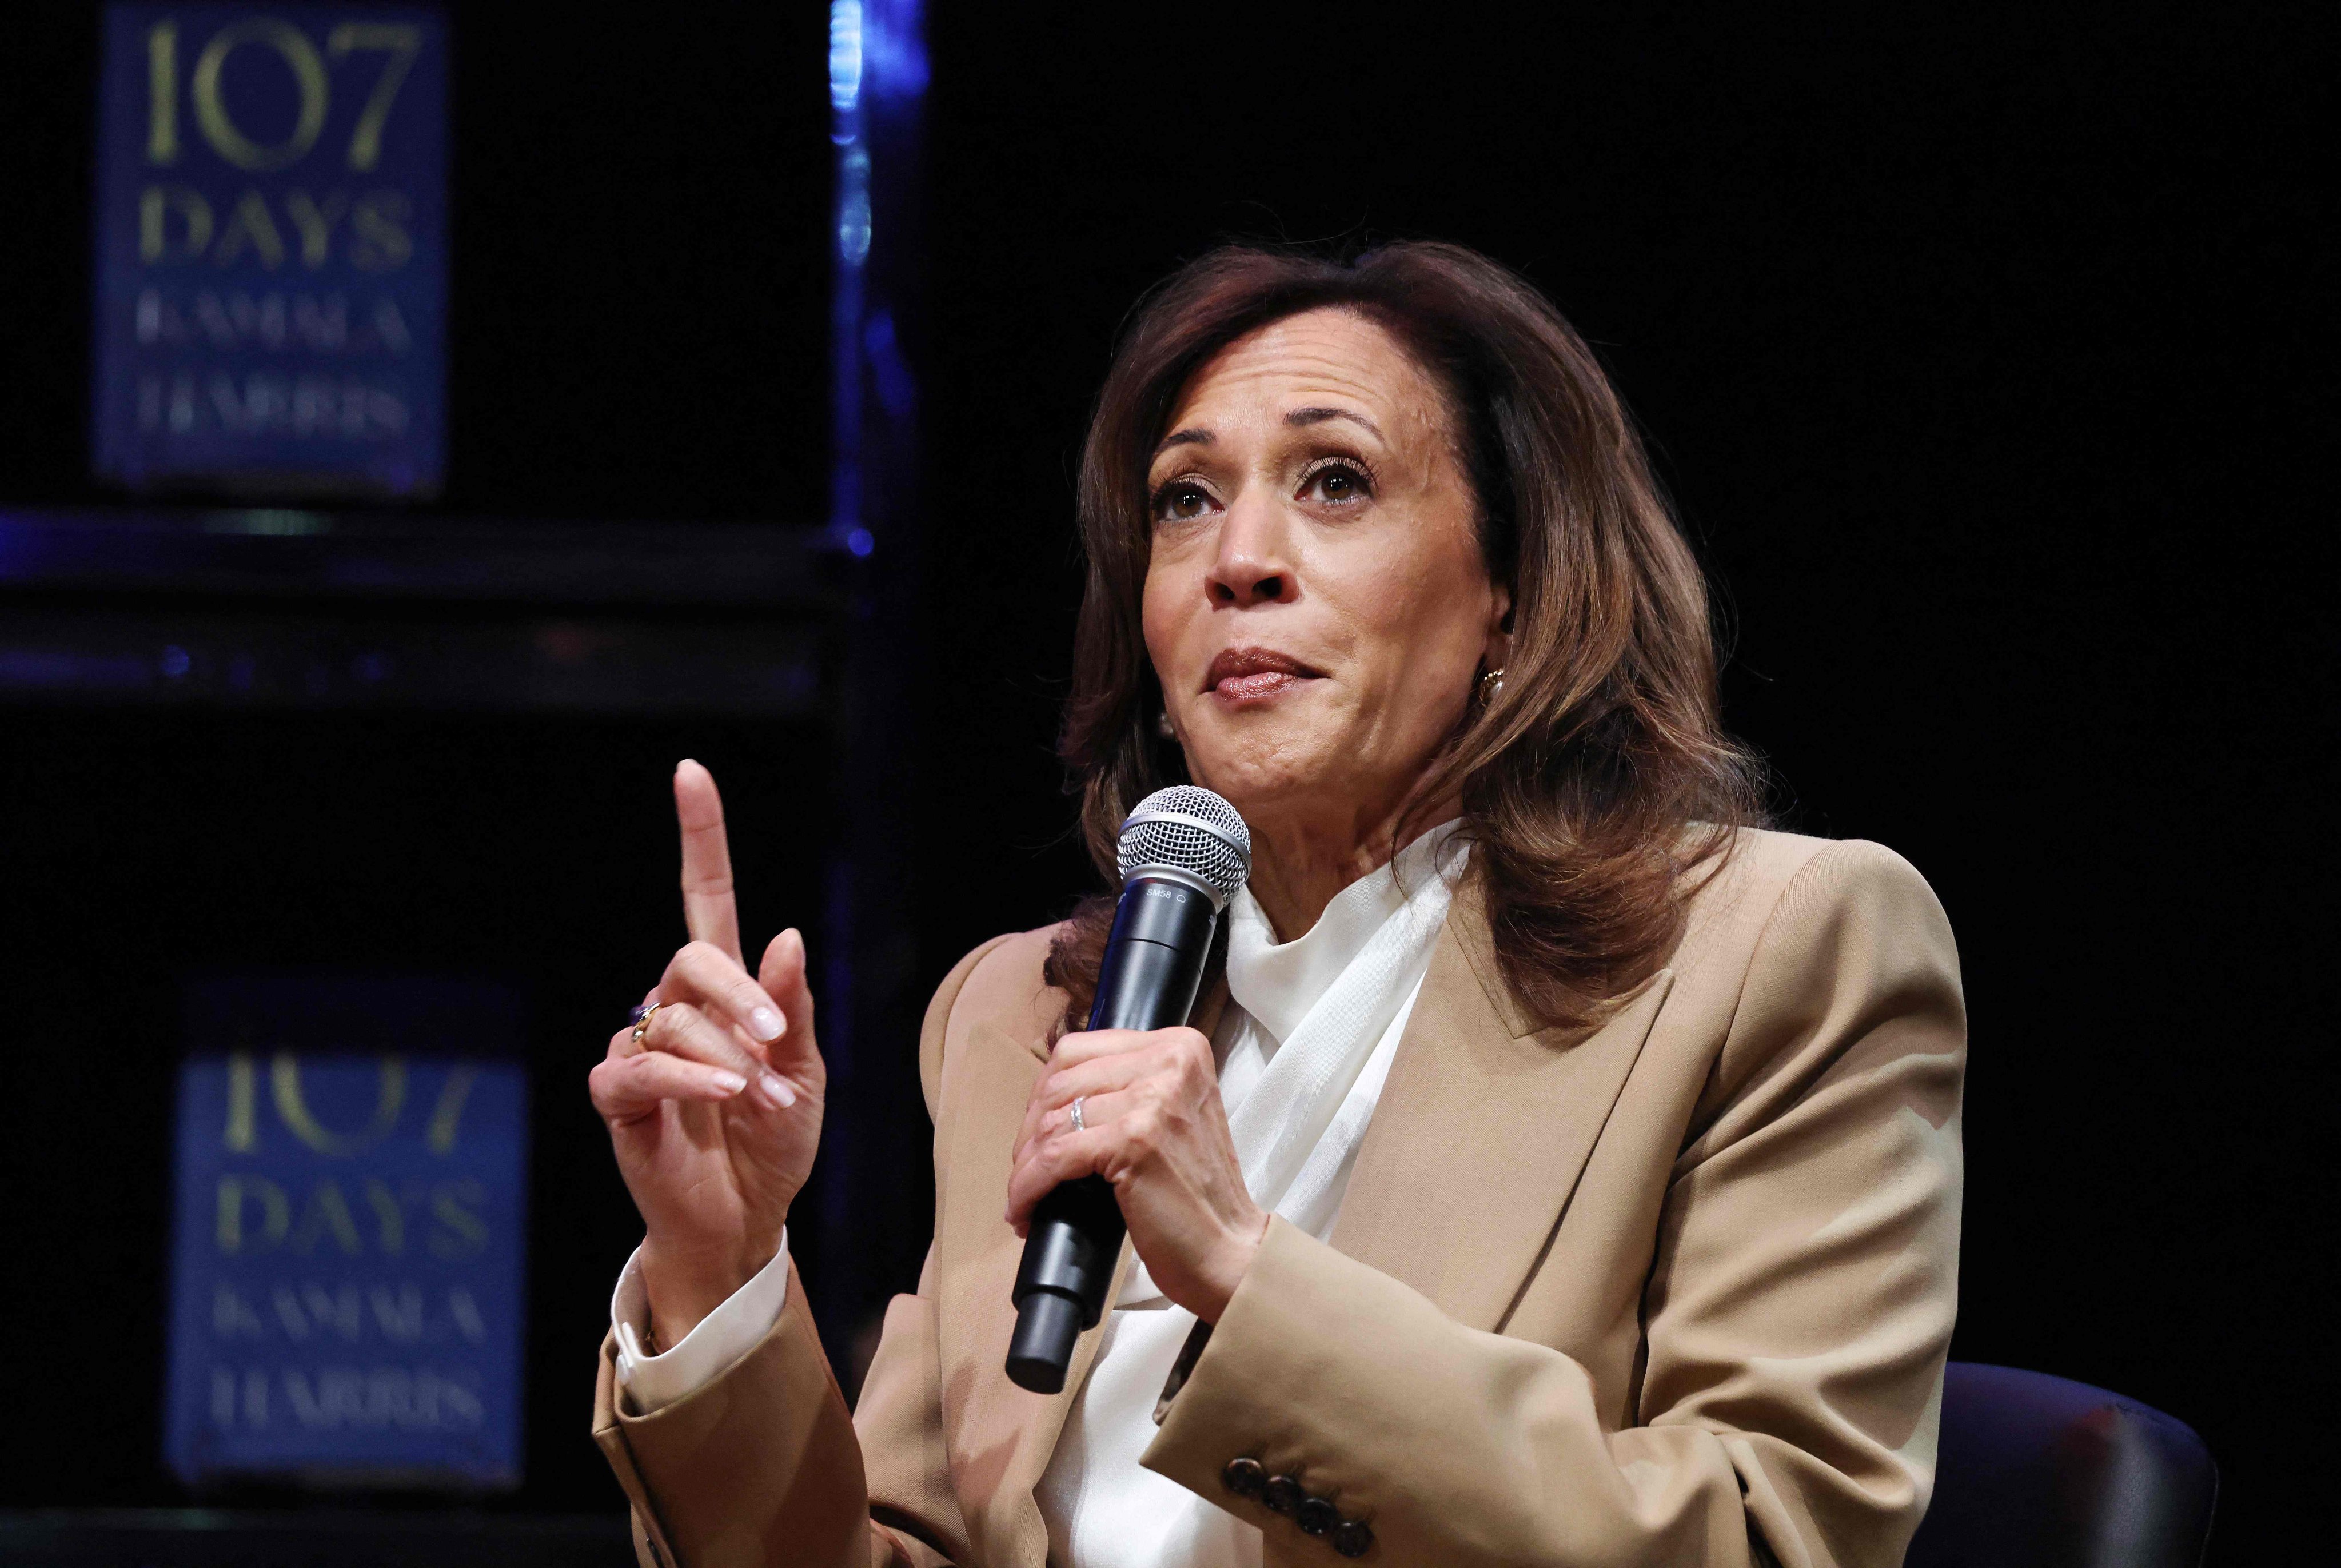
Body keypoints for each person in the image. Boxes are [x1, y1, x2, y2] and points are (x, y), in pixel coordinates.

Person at [586, 242, 1964, 1568]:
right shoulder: (1019, 1014)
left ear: (1511, 592)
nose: (1237, 558)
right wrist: (718, 1270)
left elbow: (1774, 1535)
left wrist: (1245, 1274)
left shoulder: (1776, 950)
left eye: (1335, 482)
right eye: (1185, 500)